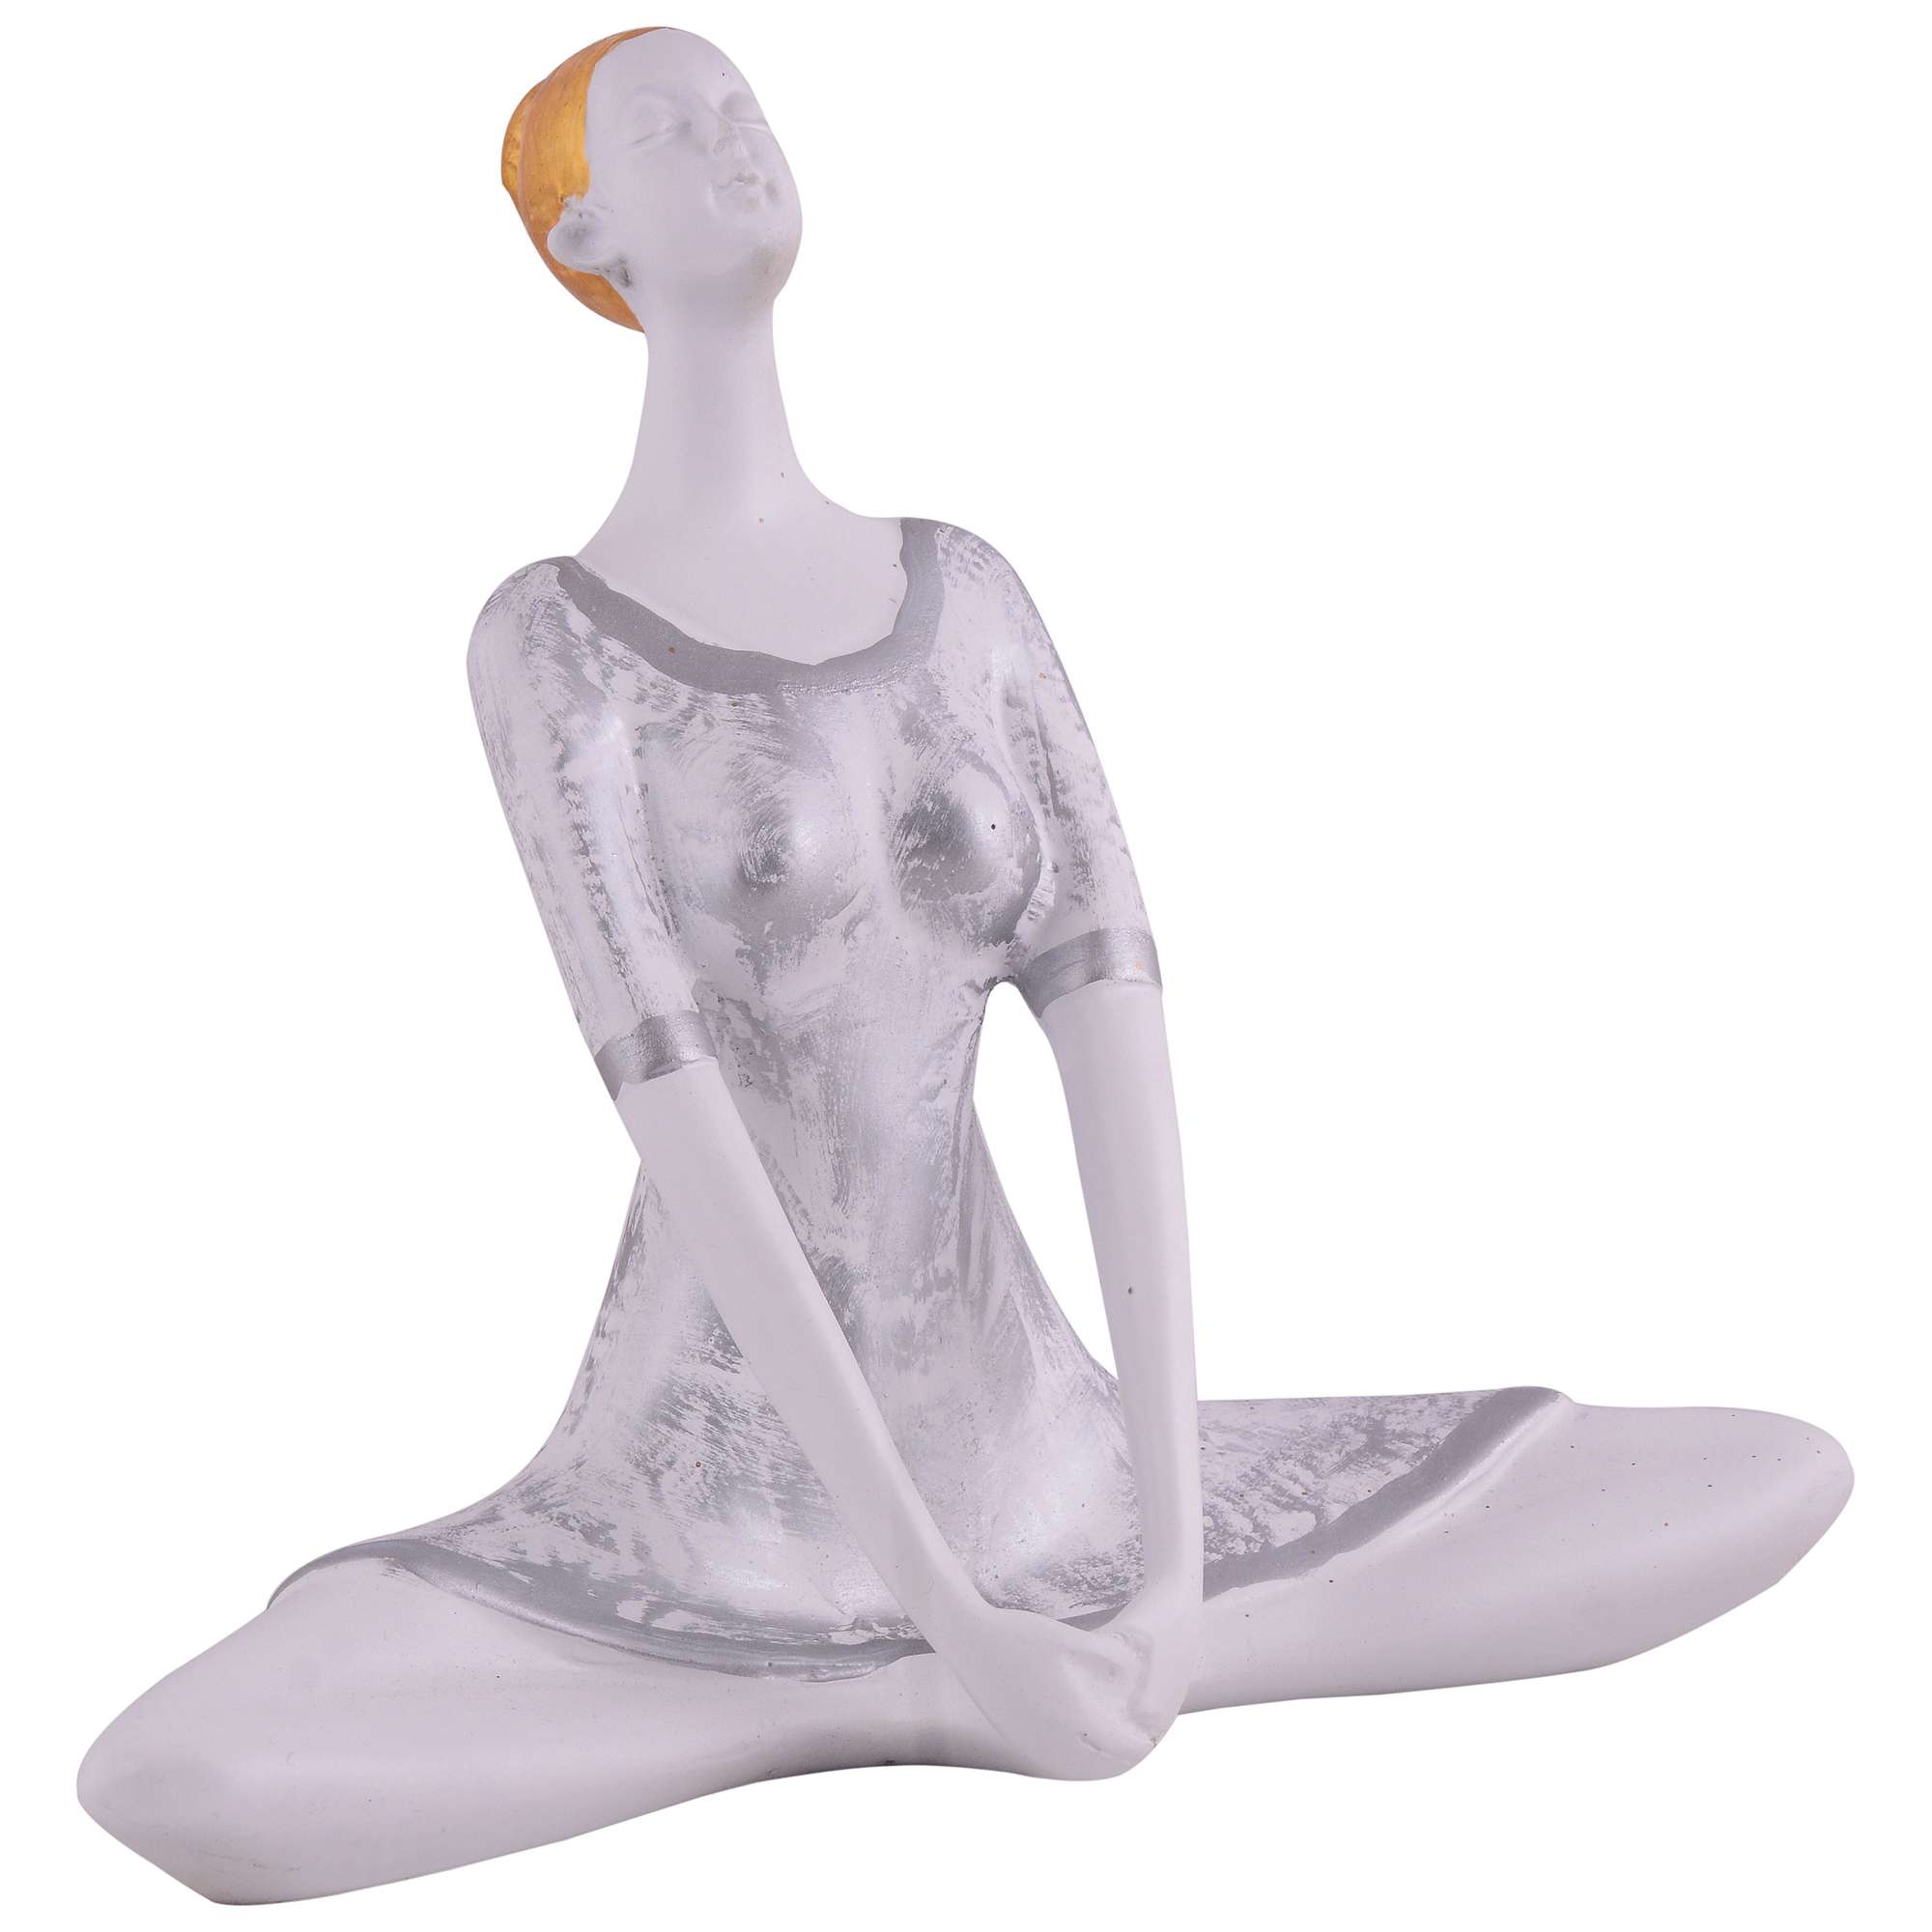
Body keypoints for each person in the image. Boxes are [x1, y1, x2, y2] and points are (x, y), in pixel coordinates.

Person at [77, 26, 1851, 1905]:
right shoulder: (554, 645)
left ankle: (1065, 1654)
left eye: (746, 105)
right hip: (716, 1487)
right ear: (585, 232)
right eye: (670, 126)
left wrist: (1167, 1570)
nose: (735, 137)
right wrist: (950, 1614)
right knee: (200, 1775)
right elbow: (680, 1110)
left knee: (1760, 1474)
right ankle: (878, 1685)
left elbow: (1117, 1032)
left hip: (1043, 1447)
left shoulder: (967, 592)